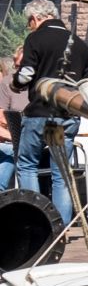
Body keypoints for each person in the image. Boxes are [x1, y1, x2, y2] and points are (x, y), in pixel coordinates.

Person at [10, 0, 88, 226]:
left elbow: (26, 74)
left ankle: (34, 221)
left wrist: (15, 85)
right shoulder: (79, 43)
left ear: (36, 18)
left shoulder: (36, 39)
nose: (29, 26)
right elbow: (85, 80)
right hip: (65, 116)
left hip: (40, 113)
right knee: (61, 172)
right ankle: (60, 227)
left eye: (29, 22)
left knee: (27, 164)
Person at [0, 52, 29, 190]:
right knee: (14, 150)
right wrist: (16, 139)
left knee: (12, 153)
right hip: (12, 142)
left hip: (12, 141)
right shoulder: (6, 84)